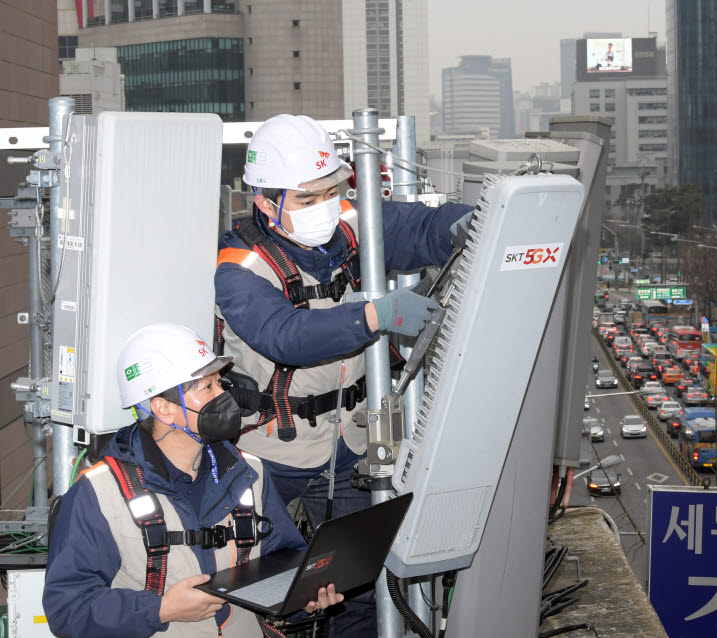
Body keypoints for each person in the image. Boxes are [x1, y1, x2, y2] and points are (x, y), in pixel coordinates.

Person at [214, 114, 474, 637]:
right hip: (271, 452)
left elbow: (419, 227)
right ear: (267, 202)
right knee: (269, 587)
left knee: (351, 586)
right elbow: (284, 334)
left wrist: (472, 222)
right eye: (309, 198)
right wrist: (375, 315)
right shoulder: (238, 267)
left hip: (349, 441)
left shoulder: (353, 224)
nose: (326, 206)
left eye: (333, 189)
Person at [43, 323, 342, 637]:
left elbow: (283, 562)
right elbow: (68, 609)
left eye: (220, 384)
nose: (224, 396)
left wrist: (305, 596)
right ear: (165, 409)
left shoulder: (248, 473)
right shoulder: (99, 494)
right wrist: (161, 610)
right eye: (207, 388)